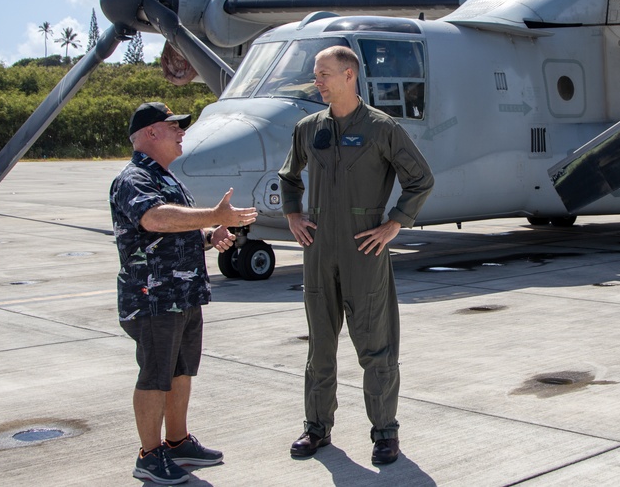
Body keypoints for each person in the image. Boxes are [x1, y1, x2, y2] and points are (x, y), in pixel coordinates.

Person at [278, 47, 434, 466]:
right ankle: (316, 429)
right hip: (318, 248)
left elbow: (420, 180)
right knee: (321, 346)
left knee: (376, 346)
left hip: (364, 247)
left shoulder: (383, 129)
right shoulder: (308, 129)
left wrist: (394, 223)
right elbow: (289, 175)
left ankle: (385, 433)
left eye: (325, 74)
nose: (319, 82)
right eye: (316, 75)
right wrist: (293, 215)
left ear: (350, 75)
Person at [111, 102, 258, 485]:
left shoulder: (166, 178)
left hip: (184, 296)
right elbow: (154, 219)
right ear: (150, 134)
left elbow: (174, 229)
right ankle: (149, 454)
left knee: (180, 371)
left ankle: (176, 443)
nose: (182, 133)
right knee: (155, 375)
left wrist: (211, 236)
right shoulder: (133, 179)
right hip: (153, 298)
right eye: (173, 127)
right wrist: (214, 216)